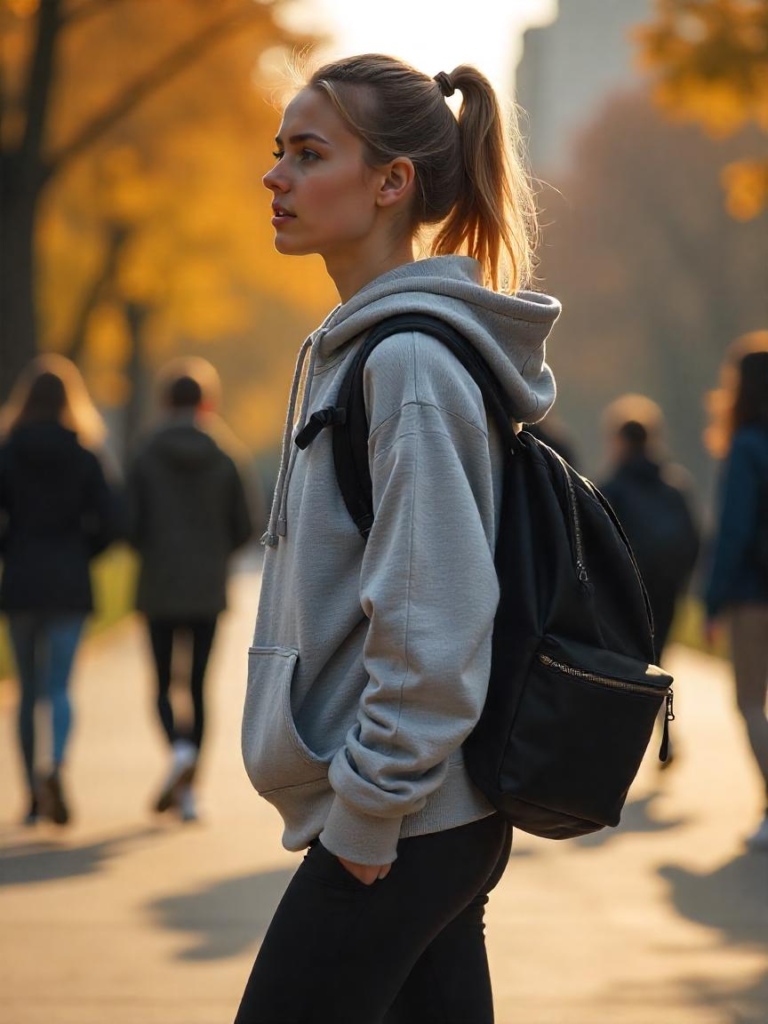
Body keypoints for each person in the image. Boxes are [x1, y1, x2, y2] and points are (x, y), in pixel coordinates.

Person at [236, 54, 561, 1023]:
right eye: (278, 151)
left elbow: (434, 620)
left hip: (405, 819)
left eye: (308, 152)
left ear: (392, 182)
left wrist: (369, 813)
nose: (276, 176)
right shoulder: (364, 349)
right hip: (425, 817)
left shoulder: (408, 363)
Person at [125, 358, 253, 823]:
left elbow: (129, 523)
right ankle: (191, 789)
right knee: (198, 685)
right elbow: (247, 524)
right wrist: (213, 551)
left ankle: (178, 752)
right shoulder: (225, 456)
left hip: (158, 585)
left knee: (162, 683)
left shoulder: (144, 453)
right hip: (206, 587)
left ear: (164, 402)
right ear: (207, 403)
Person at [0, 354, 118, 826]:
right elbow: (112, 522)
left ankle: (30, 792)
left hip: (22, 580)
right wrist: (82, 552)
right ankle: (57, 767)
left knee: (27, 691)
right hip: (69, 579)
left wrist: (11, 546)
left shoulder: (7, 454)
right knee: (60, 687)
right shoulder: (85, 455)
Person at [704, 332, 768, 852]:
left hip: (754, 597)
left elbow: (734, 530)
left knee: (751, 701)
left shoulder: (746, 446)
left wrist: (711, 601)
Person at [599, 394, 700, 664]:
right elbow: (693, 540)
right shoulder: (676, 487)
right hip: (667, 588)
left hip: (627, 592)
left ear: (619, 441)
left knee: (627, 660)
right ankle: (653, 702)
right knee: (657, 659)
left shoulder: (611, 490)